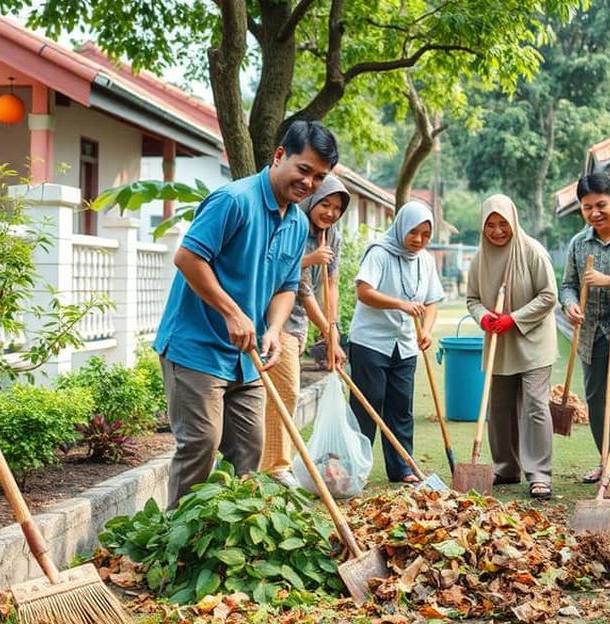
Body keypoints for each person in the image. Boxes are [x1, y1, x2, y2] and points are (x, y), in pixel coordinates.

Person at [153, 120, 338, 504]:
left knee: (252, 451)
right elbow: (188, 258)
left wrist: (272, 329)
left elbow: (287, 286)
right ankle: (177, 546)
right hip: (196, 350)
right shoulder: (233, 201)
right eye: (303, 170)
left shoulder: (296, 222)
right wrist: (232, 313)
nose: (309, 183)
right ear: (279, 155)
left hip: (248, 359)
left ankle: (233, 544)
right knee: (201, 445)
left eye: (318, 177)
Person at [466, 195, 559, 499]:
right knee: (500, 406)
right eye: (490, 225)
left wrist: (513, 319)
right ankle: (506, 466)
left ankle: (539, 474)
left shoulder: (533, 251)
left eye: (502, 224)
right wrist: (484, 318)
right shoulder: (479, 258)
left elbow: (548, 296)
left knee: (534, 404)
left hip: (533, 341)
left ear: (513, 221)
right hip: (499, 341)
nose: (497, 231)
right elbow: (473, 299)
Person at [261, 174, 350, 488]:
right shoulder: (295, 224)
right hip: (276, 318)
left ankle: (265, 465)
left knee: (278, 395)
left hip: (297, 326)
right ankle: (276, 467)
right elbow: (300, 289)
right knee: (286, 391)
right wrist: (327, 332)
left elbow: (332, 285)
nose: (330, 212)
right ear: (313, 200)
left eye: (337, 208)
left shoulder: (332, 236)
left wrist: (333, 329)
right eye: (325, 203)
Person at [348, 201, 446, 483]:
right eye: (413, 232)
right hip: (370, 341)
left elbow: (432, 302)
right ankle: (356, 467)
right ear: (402, 226)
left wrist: (426, 330)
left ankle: (403, 467)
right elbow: (364, 292)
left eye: (426, 234)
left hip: (405, 344)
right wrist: (400, 305)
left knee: (401, 406)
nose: (419, 239)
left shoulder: (425, 260)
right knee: (368, 403)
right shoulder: (379, 253)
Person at [560, 173, 610, 497]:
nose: (595, 213)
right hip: (590, 332)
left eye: (601, 205)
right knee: (595, 402)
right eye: (587, 207)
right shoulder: (578, 244)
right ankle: (605, 460)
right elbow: (567, 284)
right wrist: (569, 305)